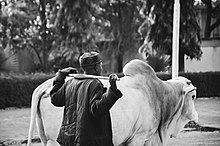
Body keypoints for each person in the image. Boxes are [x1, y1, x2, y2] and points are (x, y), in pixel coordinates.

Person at [50, 51, 123, 146]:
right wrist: (112, 91)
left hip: (69, 138)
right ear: (97, 67)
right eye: (100, 65)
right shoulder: (94, 84)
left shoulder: (70, 83)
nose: (101, 67)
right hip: (88, 140)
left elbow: (54, 98)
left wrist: (60, 76)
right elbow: (96, 110)